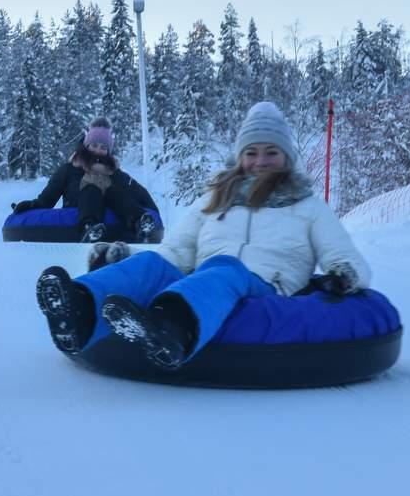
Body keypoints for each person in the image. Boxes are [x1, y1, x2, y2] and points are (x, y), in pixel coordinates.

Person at [34, 101, 371, 370]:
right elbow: (176, 252)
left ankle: (171, 330)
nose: (261, 161)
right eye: (251, 153)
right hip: (209, 282)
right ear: (240, 157)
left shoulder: (307, 206)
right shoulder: (215, 198)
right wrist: (134, 264)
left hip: (267, 288)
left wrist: (345, 275)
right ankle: (79, 313)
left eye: (271, 152)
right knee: (155, 263)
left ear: (286, 157)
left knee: (224, 268)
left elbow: (344, 256)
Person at [12, 117, 159, 243]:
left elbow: (138, 192)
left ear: (108, 151)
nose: (97, 150)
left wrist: (153, 213)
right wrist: (31, 206)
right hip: (79, 210)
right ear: (86, 146)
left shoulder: (114, 173)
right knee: (91, 188)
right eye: (94, 145)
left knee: (114, 191)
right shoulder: (69, 169)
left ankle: (139, 222)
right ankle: (90, 228)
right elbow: (48, 198)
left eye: (103, 147)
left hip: (111, 214)